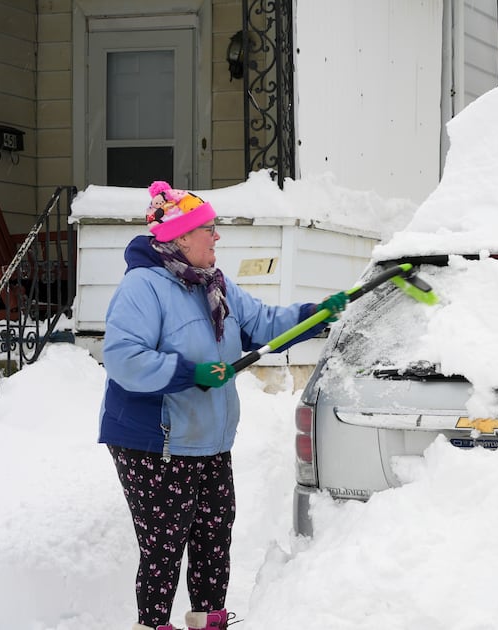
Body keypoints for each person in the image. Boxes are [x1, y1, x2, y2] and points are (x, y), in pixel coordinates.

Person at [99, 181, 348, 630]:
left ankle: (208, 622)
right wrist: (188, 373)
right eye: (209, 229)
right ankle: (153, 624)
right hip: (155, 442)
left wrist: (318, 315)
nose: (217, 237)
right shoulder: (143, 287)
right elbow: (123, 358)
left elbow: (263, 324)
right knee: (164, 547)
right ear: (180, 238)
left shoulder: (214, 286)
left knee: (214, 540)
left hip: (208, 440)